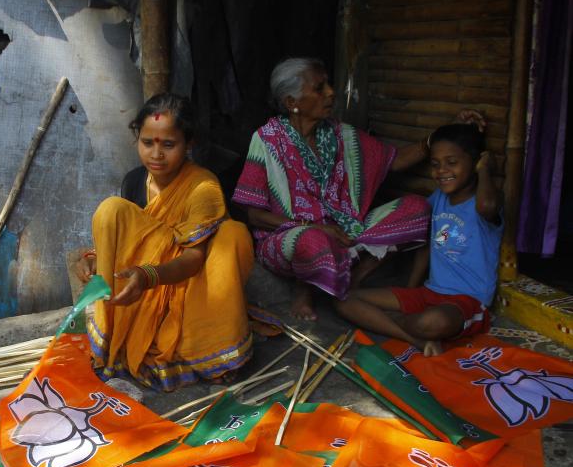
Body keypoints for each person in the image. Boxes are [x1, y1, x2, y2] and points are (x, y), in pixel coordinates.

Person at [232, 57, 485, 321]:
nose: (331, 92)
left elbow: (394, 160)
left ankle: (351, 282)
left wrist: (443, 134)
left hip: (346, 230)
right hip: (292, 240)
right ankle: (303, 290)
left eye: (328, 84)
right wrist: (314, 226)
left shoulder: (340, 134)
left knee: (418, 208)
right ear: (291, 103)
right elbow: (254, 215)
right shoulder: (267, 139)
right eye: (320, 88)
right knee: (311, 240)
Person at [75, 93, 255, 391]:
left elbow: (194, 259)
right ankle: (114, 332)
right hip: (138, 290)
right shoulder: (133, 181)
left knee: (233, 234)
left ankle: (208, 345)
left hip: (189, 286)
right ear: (137, 139)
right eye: (148, 143)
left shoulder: (203, 186)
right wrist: (100, 258)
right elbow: (135, 237)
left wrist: (149, 275)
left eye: (168, 145)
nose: (156, 154)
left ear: (189, 144)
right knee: (111, 209)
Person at [334, 124, 502, 356]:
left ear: (475, 161)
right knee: (343, 298)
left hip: (467, 301)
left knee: (432, 323)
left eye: (452, 162)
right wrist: (411, 289)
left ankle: (399, 324)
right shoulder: (439, 198)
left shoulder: (485, 201)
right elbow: (425, 244)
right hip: (430, 292)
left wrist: (485, 170)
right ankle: (414, 337)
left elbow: (488, 206)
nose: (442, 171)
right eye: (435, 164)